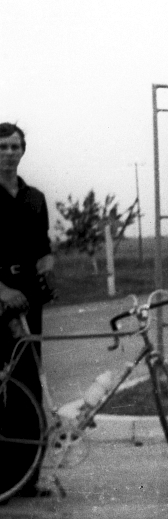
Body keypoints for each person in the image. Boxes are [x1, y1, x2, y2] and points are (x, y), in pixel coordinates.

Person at [0, 122, 57, 499]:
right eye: (2, 146)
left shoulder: (35, 198)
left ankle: (26, 479)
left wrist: (47, 267)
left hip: (28, 299)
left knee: (29, 385)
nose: (9, 152)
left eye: (14, 146)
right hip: (1, 293)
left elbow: (43, 247)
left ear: (23, 150)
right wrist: (2, 291)